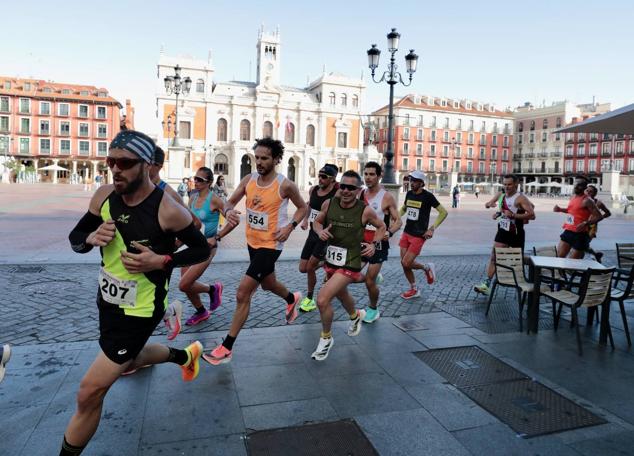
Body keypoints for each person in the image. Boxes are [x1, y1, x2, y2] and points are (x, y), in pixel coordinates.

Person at [60, 130, 211, 455]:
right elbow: (75, 237)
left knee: (88, 392)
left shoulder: (167, 208)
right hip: (109, 301)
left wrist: (162, 260)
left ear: (146, 165)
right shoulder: (103, 196)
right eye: (111, 161)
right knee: (127, 363)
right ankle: (186, 355)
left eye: (125, 163)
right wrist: (90, 239)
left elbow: (201, 249)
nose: (116, 169)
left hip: (141, 309)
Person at [203, 138, 308, 365]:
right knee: (269, 284)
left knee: (243, 293)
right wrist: (229, 211)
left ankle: (226, 347)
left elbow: (303, 207)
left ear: (276, 159)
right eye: (257, 158)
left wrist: (290, 227)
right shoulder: (249, 179)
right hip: (253, 242)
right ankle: (292, 298)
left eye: (264, 158)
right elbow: (229, 202)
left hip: (271, 245)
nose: (259, 162)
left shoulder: (285, 185)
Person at [311, 170, 386, 360]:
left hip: (351, 261)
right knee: (340, 292)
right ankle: (354, 316)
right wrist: (320, 231)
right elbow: (317, 222)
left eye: (351, 188)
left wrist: (373, 245)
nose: (345, 191)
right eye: (343, 186)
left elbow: (382, 227)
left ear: (357, 190)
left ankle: (326, 338)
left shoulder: (364, 210)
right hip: (332, 259)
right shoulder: (329, 204)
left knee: (322, 299)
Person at [181, 166, 236, 326]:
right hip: (192, 246)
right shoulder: (192, 197)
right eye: (195, 178)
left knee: (184, 284)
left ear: (209, 182)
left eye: (200, 180)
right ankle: (202, 310)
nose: (195, 181)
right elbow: (189, 224)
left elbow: (233, 221)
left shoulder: (214, 199)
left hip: (207, 248)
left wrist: (217, 237)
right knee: (185, 285)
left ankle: (213, 290)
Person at [474, 174, 535, 295]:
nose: (506, 187)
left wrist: (514, 215)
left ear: (516, 184)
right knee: (494, 256)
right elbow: (488, 204)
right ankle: (486, 284)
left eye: (509, 184)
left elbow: (532, 215)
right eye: (505, 184)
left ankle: (530, 278)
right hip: (502, 231)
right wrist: (492, 208)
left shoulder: (520, 198)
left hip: (516, 233)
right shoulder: (500, 194)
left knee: (517, 260)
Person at [359, 162, 402, 323]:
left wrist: (389, 232)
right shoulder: (361, 194)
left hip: (378, 243)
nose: (368, 177)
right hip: (362, 241)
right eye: (366, 174)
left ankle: (373, 309)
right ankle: (376, 276)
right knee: (351, 272)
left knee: (369, 281)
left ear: (379, 176)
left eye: (372, 174)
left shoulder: (386, 197)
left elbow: (398, 221)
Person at [399, 170, 448, 299]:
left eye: (414, 181)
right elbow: (404, 208)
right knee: (403, 263)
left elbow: (443, 212)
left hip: (419, 235)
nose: (411, 183)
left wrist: (432, 228)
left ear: (421, 183)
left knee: (406, 262)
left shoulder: (428, 196)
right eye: (411, 180)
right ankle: (414, 289)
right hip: (406, 232)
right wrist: (396, 218)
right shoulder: (409, 194)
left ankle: (426, 267)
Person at [298, 164, 339, 312]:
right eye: (319, 176)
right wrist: (304, 220)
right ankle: (328, 263)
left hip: (325, 235)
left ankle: (309, 299)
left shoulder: (337, 194)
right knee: (303, 268)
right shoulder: (313, 189)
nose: (320, 179)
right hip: (312, 233)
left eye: (324, 177)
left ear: (333, 179)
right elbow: (310, 206)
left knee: (310, 268)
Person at [554, 176, 602, 259]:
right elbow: (571, 211)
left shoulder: (587, 200)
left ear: (584, 187)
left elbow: (599, 216)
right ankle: (561, 272)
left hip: (580, 235)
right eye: (575, 184)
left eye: (579, 185)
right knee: (559, 258)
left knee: (573, 264)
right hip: (568, 231)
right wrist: (560, 209)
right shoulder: (572, 197)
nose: (576, 186)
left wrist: (585, 223)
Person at [584, 184, 611, 261]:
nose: (588, 192)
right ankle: (596, 255)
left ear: (595, 194)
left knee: (584, 244)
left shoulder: (598, 203)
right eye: (587, 190)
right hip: (582, 225)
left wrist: (598, 218)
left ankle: (577, 263)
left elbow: (608, 213)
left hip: (592, 227)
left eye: (591, 191)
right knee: (582, 244)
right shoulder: (583, 200)